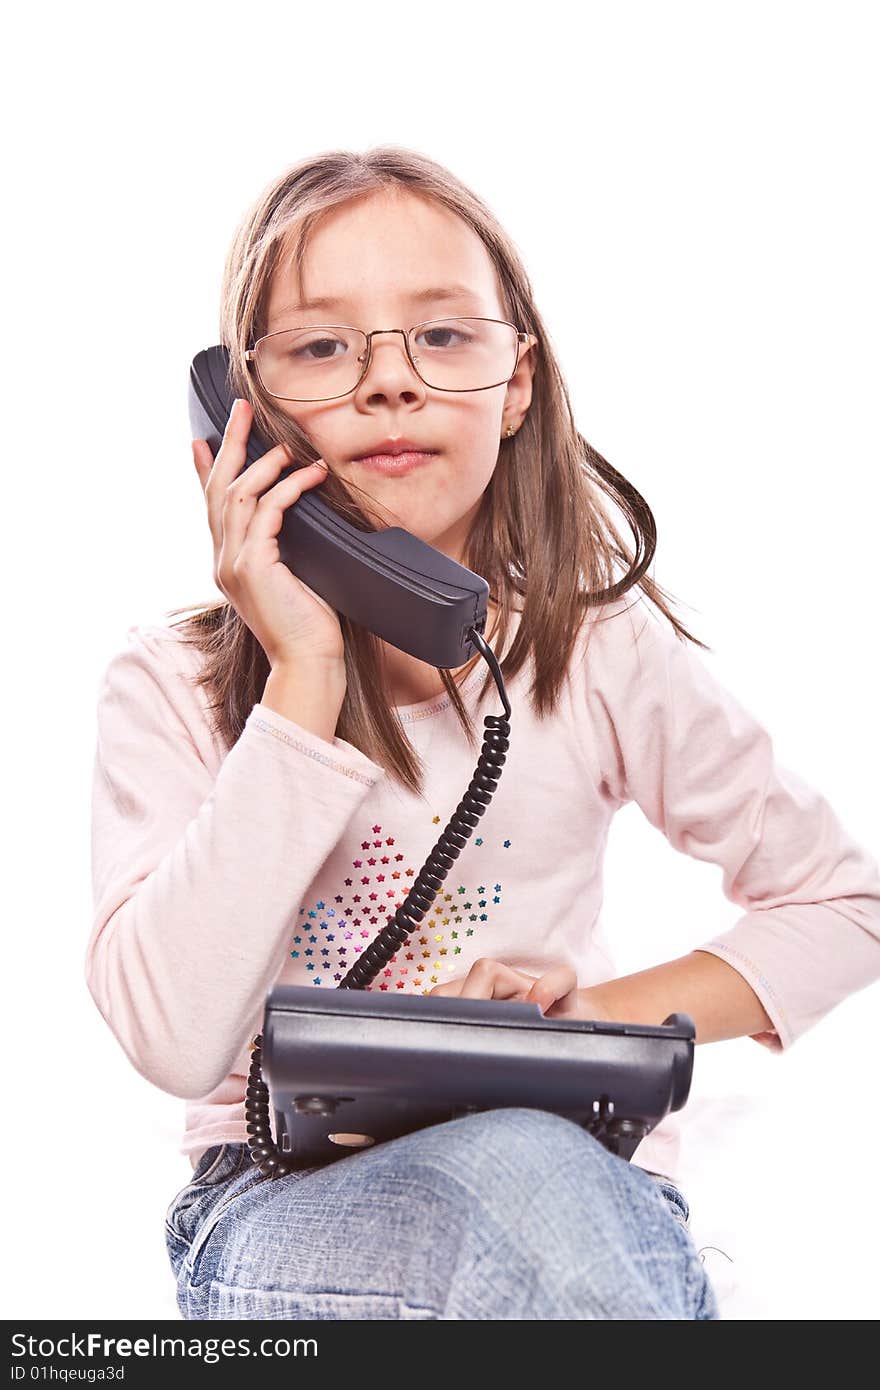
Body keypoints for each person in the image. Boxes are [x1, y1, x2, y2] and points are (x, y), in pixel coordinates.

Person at [87, 146, 880, 1321]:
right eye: (320, 347)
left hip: (571, 1186)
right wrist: (303, 672)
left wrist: (581, 1022)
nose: (389, 383)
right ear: (241, 420)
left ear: (518, 385)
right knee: (523, 1182)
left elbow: (840, 903)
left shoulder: (596, 654)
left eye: (443, 338)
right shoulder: (170, 687)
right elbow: (171, 1037)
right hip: (283, 1201)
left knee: (532, 1168)